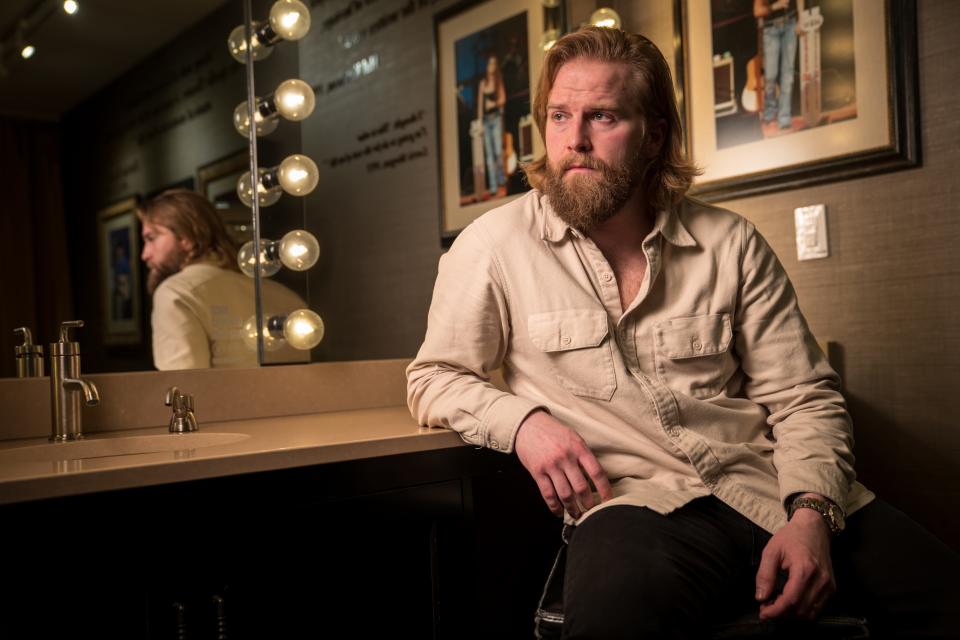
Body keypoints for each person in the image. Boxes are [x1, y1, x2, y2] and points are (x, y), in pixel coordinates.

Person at [407, 27, 957, 638]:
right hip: (636, 509)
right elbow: (434, 377)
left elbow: (804, 398)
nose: (575, 140)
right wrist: (525, 424)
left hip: (771, 487)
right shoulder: (492, 246)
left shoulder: (732, 242)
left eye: (604, 116)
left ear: (655, 135)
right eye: (559, 116)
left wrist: (810, 515)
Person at [139, 189, 307, 370]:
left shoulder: (175, 294)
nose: (145, 255)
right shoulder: (286, 296)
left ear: (185, 237)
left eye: (151, 238)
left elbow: (184, 390)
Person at [755, 0, 802, 134]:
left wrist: (801, 18)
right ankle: (769, 112)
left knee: (788, 74)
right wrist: (775, 6)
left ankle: (784, 118)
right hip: (771, 29)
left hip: (790, 23)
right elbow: (757, 11)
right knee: (770, 76)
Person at [477, 54, 507, 199]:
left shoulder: (498, 82)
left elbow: (503, 99)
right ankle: (494, 186)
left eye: (494, 64)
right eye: (490, 64)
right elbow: (480, 105)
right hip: (486, 122)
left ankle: (502, 182)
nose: (492, 66)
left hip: (495, 119)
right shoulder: (483, 83)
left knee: (497, 152)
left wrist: (493, 104)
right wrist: (479, 122)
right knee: (488, 155)